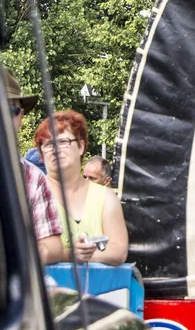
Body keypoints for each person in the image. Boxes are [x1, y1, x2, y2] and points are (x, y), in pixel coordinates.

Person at [34, 110, 128, 265]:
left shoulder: (105, 197)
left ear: (81, 146)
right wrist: (71, 255)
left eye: (64, 142)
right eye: (49, 144)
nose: (56, 149)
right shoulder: (32, 193)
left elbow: (118, 250)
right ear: (41, 155)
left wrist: (80, 255)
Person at [3, 70, 65, 266]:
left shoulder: (31, 176)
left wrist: (28, 254)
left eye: (11, 110)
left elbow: (53, 245)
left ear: (20, 116)